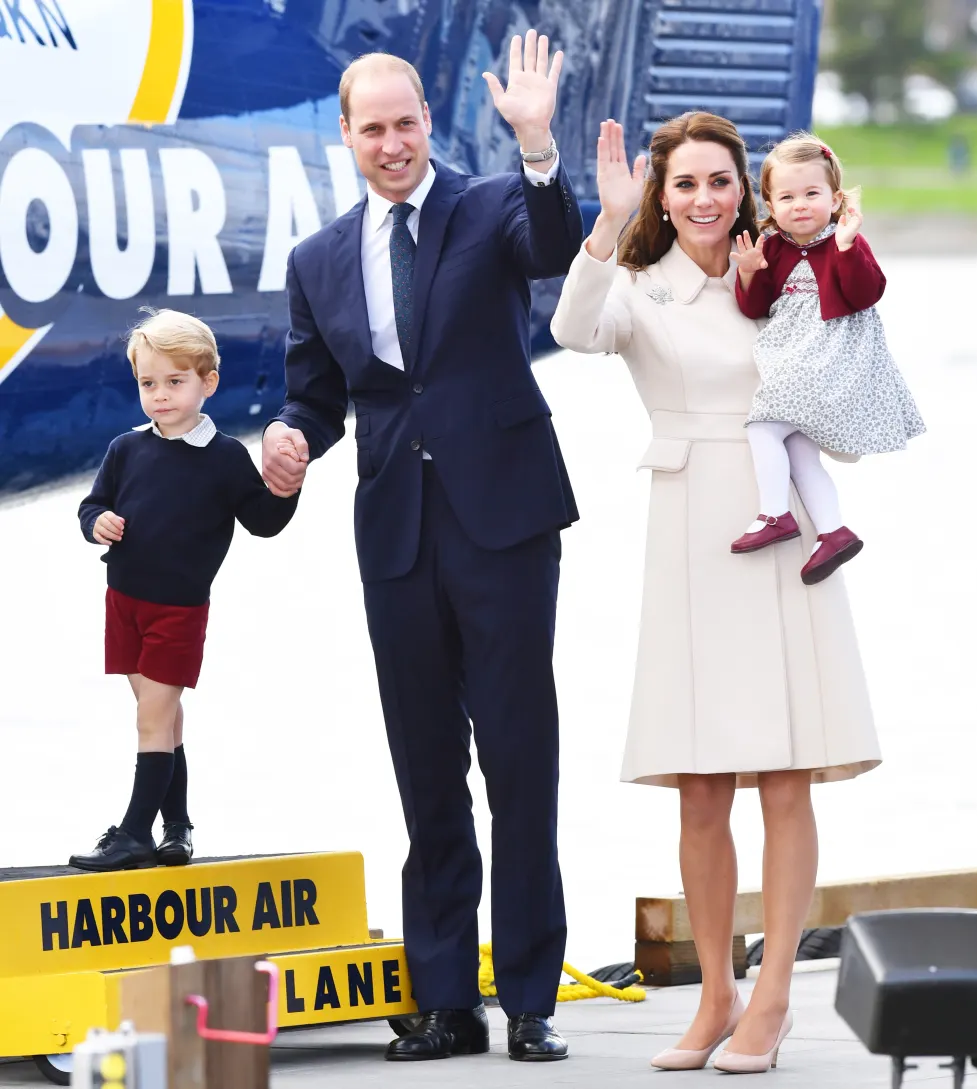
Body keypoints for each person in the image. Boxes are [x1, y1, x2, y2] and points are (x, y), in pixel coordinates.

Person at [261, 35, 582, 1062]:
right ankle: (445, 997)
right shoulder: (317, 261)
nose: (392, 143)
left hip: (503, 518)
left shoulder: (489, 207)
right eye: (373, 128)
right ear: (346, 136)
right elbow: (319, 395)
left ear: (427, 125)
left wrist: (537, 147)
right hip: (395, 530)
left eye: (407, 124)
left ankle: (529, 996)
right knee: (426, 768)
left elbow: (551, 245)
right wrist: (291, 440)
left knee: (520, 758)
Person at [550, 113, 881, 1074]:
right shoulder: (638, 284)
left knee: (783, 777)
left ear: (749, 190)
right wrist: (604, 227)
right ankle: (714, 993)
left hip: (783, 531)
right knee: (700, 787)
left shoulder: (789, 274)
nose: (705, 199)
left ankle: (773, 996)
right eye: (685, 183)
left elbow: (844, 379)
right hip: (691, 524)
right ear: (662, 192)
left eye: (722, 182)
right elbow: (574, 330)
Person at [72, 308, 298, 872]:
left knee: (152, 717)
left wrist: (287, 484)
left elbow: (263, 521)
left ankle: (133, 833)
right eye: (149, 383)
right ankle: (177, 827)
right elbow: (93, 503)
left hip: (177, 610)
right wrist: (95, 521)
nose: (161, 395)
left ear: (207, 382)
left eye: (176, 382)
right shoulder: (126, 448)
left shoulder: (224, 458)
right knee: (165, 720)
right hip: (123, 601)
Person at [729, 133, 925, 584]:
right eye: (787, 197)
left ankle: (775, 514)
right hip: (794, 359)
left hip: (829, 359)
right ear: (770, 204)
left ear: (835, 199)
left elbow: (865, 293)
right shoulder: (772, 246)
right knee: (799, 449)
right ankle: (833, 531)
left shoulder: (843, 239)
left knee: (762, 425)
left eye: (812, 194)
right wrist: (748, 271)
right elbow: (755, 308)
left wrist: (846, 247)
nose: (800, 205)